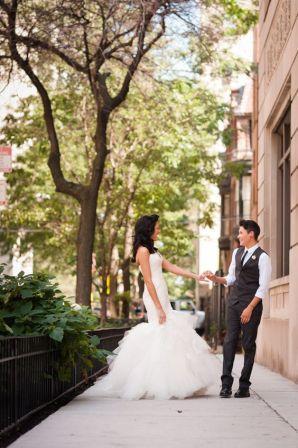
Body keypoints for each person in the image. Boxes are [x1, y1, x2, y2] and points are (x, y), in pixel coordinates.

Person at [95, 214, 217, 400]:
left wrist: (196, 276)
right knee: (160, 332)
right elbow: (149, 282)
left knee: (168, 332)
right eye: (157, 227)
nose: (159, 230)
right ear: (148, 229)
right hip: (154, 296)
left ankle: (174, 378)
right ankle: (155, 382)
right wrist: (159, 307)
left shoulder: (154, 251)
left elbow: (172, 267)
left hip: (162, 294)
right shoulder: (142, 251)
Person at [204, 219, 271, 398]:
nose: (238, 236)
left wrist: (249, 308)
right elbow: (231, 278)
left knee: (248, 344)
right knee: (229, 342)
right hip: (234, 304)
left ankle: (244, 386)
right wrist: (215, 278)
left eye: (241, 232)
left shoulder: (263, 257)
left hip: (251, 306)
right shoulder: (237, 253)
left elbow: (263, 288)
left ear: (251, 234)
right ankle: (226, 385)